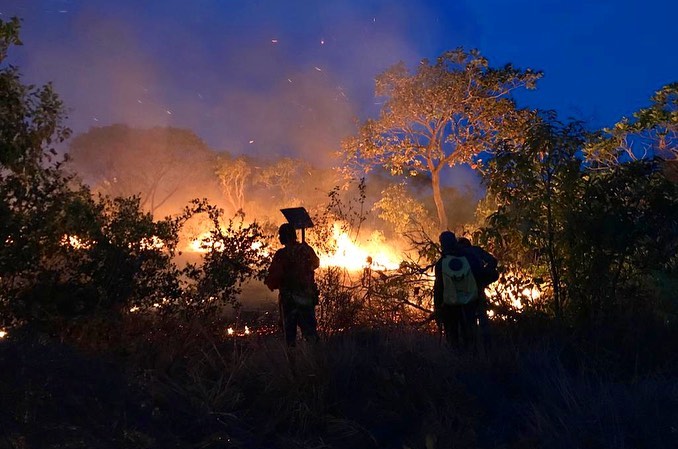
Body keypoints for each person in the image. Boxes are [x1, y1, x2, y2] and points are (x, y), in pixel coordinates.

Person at [264, 223, 320, 347]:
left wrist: (270, 281)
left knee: (290, 338)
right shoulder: (305, 249)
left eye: (280, 235)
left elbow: (274, 278)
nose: (279, 238)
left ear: (285, 236)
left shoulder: (281, 254)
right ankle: (315, 360)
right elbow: (316, 263)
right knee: (311, 334)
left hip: (289, 301)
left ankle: (293, 364)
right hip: (306, 298)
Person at [433, 231, 480, 348]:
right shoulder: (468, 257)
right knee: (470, 332)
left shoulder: (441, 263)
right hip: (469, 301)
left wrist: (437, 308)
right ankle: (473, 357)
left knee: (452, 334)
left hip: (450, 304)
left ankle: (456, 358)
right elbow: (479, 275)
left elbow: (438, 288)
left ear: (442, 244)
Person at [456, 237, 498, 330]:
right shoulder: (476, 250)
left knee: (469, 317)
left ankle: (472, 339)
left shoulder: (457, 254)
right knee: (482, 313)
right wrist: (484, 274)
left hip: (465, 290)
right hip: (478, 286)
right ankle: (486, 339)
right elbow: (493, 261)